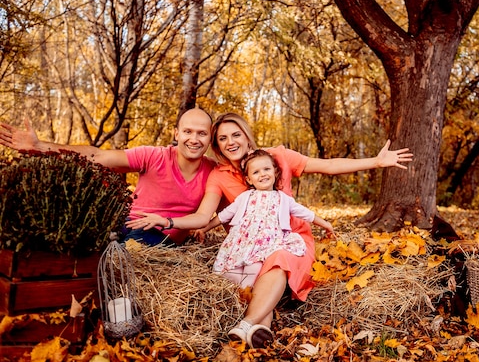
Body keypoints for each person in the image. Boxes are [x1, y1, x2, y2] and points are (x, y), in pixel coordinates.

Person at [134, 112, 413, 348]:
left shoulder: (277, 157)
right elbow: (206, 215)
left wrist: (376, 162)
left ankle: (246, 324)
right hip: (250, 245)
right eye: (222, 138)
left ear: (246, 135)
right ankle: (260, 330)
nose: (231, 142)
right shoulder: (219, 175)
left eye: (236, 135)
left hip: (290, 239)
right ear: (216, 146)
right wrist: (171, 222)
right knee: (255, 266)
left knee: (278, 259)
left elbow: (327, 166)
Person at [0, 108, 216, 246]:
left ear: (210, 137)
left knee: (126, 253)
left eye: (202, 133)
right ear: (177, 134)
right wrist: (40, 147)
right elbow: (96, 155)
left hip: (160, 240)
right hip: (129, 224)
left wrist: (201, 227)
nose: (194, 139)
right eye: (188, 132)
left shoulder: (214, 172)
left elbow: (234, 211)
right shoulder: (153, 156)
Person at [205, 149, 335, 291]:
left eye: (266, 169)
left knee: (254, 269)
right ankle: (238, 290)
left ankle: (245, 294)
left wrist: (326, 224)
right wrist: (204, 228)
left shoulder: (283, 199)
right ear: (249, 179)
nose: (262, 174)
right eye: (256, 172)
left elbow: (306, 214)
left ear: (275, 172)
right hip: (242, 243)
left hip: (264, 245)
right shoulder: (245, 197)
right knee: (228, 271)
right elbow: (224, 215)